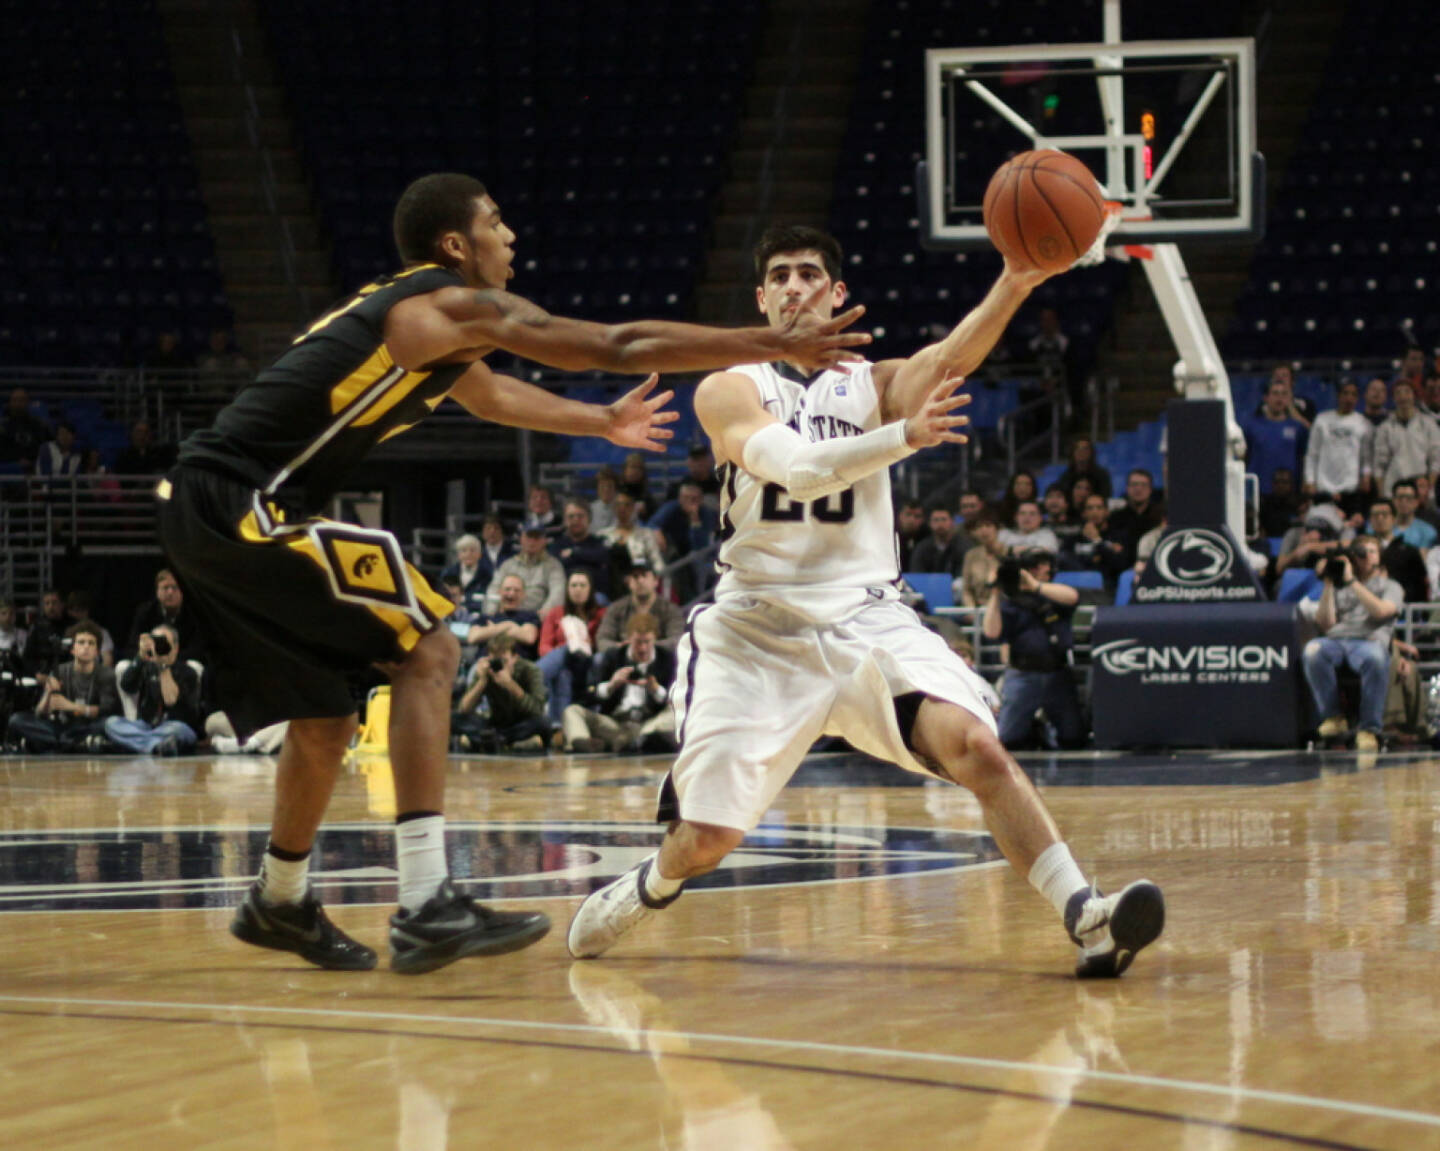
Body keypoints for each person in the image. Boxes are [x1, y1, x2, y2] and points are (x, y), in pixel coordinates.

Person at [155, 172, 866, 975]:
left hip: (218, 507)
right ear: (456, 244)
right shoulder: (444, 304)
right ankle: (426, 900)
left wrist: (600, 420)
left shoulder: (427, 331)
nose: (511, 237)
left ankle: (278, 898)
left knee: (325, 719)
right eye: (496, 223)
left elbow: (489, 396)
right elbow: (613, 344)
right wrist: (774, 343)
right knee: (429, 648)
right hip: (242, 503)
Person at [566, 224, 1162, 978]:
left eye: (809, 273)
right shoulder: (731, 386)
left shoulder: (870, 384)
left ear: (836, 293)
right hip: (758, 628)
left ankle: (1088, 916)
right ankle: (650, 883)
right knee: (707, 838)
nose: (792, 286)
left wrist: (1016, 279)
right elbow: (802, 469)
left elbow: (947, 362)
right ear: (759, 298)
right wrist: (904, 437)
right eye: (778, 275)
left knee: (979, 746)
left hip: (867, 614)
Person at [1299, 536, 1403, 752]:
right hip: (1336, 640)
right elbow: (1325, 623)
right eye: (1361, 551)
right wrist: (1329, 582)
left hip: (1369, 641)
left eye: (1372, 551)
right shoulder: (1339, 585)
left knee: (1375, 657)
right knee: (1313, 649)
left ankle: (1369, 728)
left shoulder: (1390, 586)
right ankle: (1333, 718)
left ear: (1379, 557)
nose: (1366, 556)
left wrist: (1352, 582)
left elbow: (1382, 611)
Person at [983, 549, 1085, 750]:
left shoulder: (1055, 595)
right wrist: (995, 593)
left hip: (1057, 672)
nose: (1043, 569)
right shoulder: (1011, 602)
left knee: (1072, 737)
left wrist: (1036, 586)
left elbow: (1072, 597)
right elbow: (991, 632)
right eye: (1037, 566)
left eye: (1045, 565)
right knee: (1008, 738)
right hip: (1023, 674)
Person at [561, 613, 675, 753]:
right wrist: (611, 685)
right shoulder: (613, 657)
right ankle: (585, 744)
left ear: (655, 639)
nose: (643, 648)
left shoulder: (666, 658)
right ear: (628, 639)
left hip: (649, 725)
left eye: (647, 642)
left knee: (674, 713)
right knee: (572, 711)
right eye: (638, 642)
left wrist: (656, 690)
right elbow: (586, 696)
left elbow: (675, 698)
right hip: (616, 725)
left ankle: (638, 742)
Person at [5, 622, 119, 753]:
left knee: (108, 725)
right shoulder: (60, 670)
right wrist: (48, 694)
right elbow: (39, 712)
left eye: (91, 643)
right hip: (64, 727)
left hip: (90, 725)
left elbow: (107, 709)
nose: (86, 647)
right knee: (17, 720)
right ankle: (72, 744)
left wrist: (71, 706)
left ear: (97, 651)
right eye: (81, 642)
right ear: (72, 649)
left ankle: (57, 744)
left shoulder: (106, 674)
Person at [101, 624, 202, 755]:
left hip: (175, 726)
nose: (159, 647)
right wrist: (140, 656)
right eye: (156, 642)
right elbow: (127, 686)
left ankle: (138, 744)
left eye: (164, 642)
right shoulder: (146, 667)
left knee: (177, 730)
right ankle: (155, 746)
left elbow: (170, 700)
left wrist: (163, 666)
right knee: (111, 723)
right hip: (145, 727)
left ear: (176, 648)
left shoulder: (188, 672)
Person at [450, 633, 551, 753]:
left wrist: (511, 685)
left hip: (522, 723)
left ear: (515, 657)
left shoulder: (530, 670)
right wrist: (481, 682)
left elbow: (537, 709)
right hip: (495, 724)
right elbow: (464, 709)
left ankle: (488, 741)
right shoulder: (487, 671)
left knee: (543, 723)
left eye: (504, 660)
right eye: (495, 660)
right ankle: (506, 742)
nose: (499, 665)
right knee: (453, 719)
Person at [537, 569, 605, 724]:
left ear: (590, 589)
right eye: (573, 585)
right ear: (567, 589)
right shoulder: (555, 613)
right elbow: (544, 647)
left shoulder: (602, 613)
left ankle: (530, 681)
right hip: (562, 661)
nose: (578, 589)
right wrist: (564, 652)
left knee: (575, 649)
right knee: (562, 672)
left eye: (582, 585)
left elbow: (602, 642)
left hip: (589, 660)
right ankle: (559, 726)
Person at [1303, 378, 1372, 516]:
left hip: (1350, 488)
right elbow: (1312, 454)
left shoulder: (1362, 422)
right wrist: (1310, 480)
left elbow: (1366, 456)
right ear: (1338, 396)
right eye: (1346, 393)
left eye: (1353, 394)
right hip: (1324, 488)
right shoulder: (1322, 420)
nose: (1349, 398)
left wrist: (1366, 476)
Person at [648, 480, 720, 603]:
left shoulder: (706, 514)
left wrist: (695, 522)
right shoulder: (671, 508)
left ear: (701, 499)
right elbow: (652, 524)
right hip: (673, 553)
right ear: (680, 498)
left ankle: (697, 600)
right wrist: (657, 532)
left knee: (698, 562)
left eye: (694, 498)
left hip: (697, 555)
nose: (690, 502)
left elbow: (700, 545)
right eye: (686, 498)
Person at [595, 561, 686, 653]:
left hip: (661, 659)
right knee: (599, 659)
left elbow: (677, 639)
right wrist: (623, 648)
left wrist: (646, 646)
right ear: (628, 582)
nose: (640, 580)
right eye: (635, 576)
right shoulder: (615, 608)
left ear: (656, 581)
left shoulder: (670, 609)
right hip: (623, 659)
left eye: (644, 575)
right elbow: (602, 640)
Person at [1371, 380, 1440, 497]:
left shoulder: (1429, 424)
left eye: (1407, 392)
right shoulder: (1385, 428)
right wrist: (1382, 495)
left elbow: (1436, 460)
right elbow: (1379, 466)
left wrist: (1428, 487)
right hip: (1393, 490)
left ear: (1414, 396)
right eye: (1398, 393)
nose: (1403, 397)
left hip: (1422, 489)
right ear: (1393, 398)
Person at [124, 568, 205, 663]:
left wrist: (169, 659)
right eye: (165, 588)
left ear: (183, 591)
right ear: (157, 592)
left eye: (175, 587)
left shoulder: (193, 613)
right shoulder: (145, 612)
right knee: (122, 666)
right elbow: (131, 647)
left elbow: (197, 650)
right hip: (149, 661)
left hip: (181, 663)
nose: (170, 592)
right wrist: (150, 656)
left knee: (195, 666)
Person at [1244, 377, 1309, 495]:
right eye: (1275, 393)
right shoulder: (1251, 426)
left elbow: (1304, 458)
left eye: (1283, 394)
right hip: (1258, 491)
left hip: (1288, 492)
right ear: (1266, 398)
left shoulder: (1298, 428)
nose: (1279, 398)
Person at [486, 525, 566, 614]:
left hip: (536, 618)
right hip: (506, 614)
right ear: (521, 539)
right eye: (529, 537)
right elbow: (493, 589)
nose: (532, 541)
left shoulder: (553, 565)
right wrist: (491, 612)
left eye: (537, 538)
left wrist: (543, 615)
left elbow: (558, 594)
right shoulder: (508, 565)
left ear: (544, 541)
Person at [466, 573, 543, 661]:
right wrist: (508, 626)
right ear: (499, 591)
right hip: (485, 663)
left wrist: (492, 630)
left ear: (523, 595)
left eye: (517, 590)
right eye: (507, 589)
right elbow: (473, 637)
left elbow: (529, 637)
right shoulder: (486, 617)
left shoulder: (529, 617)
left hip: (517, 665)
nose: (512, 593)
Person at [1063, 493, 1131, 589]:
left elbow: (1120, 564)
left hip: (1107, 589)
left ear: (1107, 511)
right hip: (1078, 587)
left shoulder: (1118, 536)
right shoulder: (1074, 539)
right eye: (1090, 508)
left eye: (1099, 507)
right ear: (1083, 513)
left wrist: (1097, 541)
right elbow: (1066, 561)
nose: (1095, 512)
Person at [1367, 498, 1427, 606]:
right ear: (1370, 520)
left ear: (1394, 519)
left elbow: (1419, 586)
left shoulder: (1409, 551)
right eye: (1375, 515)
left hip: (1403, 608)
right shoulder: (1361, 550)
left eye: (1384, 514)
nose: (1380, 518)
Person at [600, 490, 666, 586]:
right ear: (614, 508)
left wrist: (655, 580)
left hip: (640, 580)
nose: (622, 508)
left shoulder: (646, 534)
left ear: (633, 508)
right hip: (611, 582)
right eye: (619, 504)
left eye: (627, 505)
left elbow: (657, 563)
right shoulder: (603, 535)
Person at [550, 499, 613, 598]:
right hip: (565, 595)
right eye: (571, 516)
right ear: (565, 521)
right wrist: (588, 557)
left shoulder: (599, 542)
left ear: (589, 519)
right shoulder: (557, 545)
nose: (576, 520)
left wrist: (574, 553)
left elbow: (603, 556)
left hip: (595, 595)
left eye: (580, 516)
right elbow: (556, 566)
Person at [908, 504, 968, 580]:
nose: (940, 524)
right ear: (930, 523)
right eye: (936, 520)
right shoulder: (922, 548)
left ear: (952, 522)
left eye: (944, 519)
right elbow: (916, 575)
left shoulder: (964, 547)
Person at [959, 513, 1006, 607]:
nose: (984, 530)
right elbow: (966, 590)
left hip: (1003, 608)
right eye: (979, 527)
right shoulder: (971, 555)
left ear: (997, 529)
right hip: (977, 609)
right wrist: (971, 610)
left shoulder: (1008, 553)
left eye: (988, 525)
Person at [0, 387, 51, 469]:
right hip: (9, 471)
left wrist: (32, 461)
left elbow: (47, 447)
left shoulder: (38, 425)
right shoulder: (3, 427)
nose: (18, 404)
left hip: (35, 470)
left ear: (27, 402)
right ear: (10, 403)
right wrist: (16, 460)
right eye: (15, 400)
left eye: (21, 400)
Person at [22, 588, 70, 675]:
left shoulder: (72, 625)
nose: (50, 607)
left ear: (62, 604)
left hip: (68, 673)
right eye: (47, 603)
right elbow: (27, 657)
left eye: (54, 603)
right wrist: (36, 674)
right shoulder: (37, 626)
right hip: (42, 673)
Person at [1108, 469, 1164, 543]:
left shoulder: (1159, 518)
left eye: (1143, 485)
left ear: (1150, 489)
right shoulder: (1115, 519)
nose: (1138, 489)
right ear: (1127, 488)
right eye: (1134, 484)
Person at [438, 533, 489, 611]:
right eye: (464, 550)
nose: (468, 554)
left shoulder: (487, 575)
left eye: (472, 550)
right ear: (458, 554)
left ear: (480, 554)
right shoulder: (448, 573)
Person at [65, 590, 115, 668]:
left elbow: (107, 660)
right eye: (75, 610)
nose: (78, 614)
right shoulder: (66, 632)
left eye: (82, 610)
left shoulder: (101, 632)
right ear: (69, 612)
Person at [664, 443, 722, 508]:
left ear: (710, 461)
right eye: (696, 459)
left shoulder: (719, 485)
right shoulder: (679, 488)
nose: (700, 463)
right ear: (689, 462)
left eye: (703, 459)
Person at [1390, 479, 1438, 550]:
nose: (1404, 502)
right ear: (1393, 501)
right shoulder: (1379, 527)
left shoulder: (1428, 531)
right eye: (1400, 498)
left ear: (1416, 502)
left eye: (1408, 498)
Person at [895, 498, 929, 571]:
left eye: (917, 516)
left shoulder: (928, 538)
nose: (912, 520)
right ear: (900, 516)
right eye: (908, 514)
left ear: (923, 519)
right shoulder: (891, 538)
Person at [589, 467, 619, 532]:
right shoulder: (589, 509)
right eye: (602, 486)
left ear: (615, 489)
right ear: (597, 488)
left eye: (610, 486)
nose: (606, 489)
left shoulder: (623, 509)